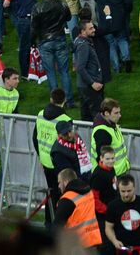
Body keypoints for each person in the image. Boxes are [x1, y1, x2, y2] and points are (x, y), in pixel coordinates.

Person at [34, 89, 73, 222]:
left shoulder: (40, 114)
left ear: (51, 99)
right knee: (62, 194)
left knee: (51, 193)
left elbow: (35, 137)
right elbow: (69, 144)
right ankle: (59, 224)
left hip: (45, 161)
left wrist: (40, 155)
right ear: (64, 100)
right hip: (59, 163)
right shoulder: (65, 119)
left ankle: (49, 222)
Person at [54, 167, 103, 251]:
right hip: (93, 240)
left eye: (59, 182)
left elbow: (57, 227)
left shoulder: (67, 199)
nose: (58, 186)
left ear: (65, 182)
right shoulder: (88, 192)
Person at [72, 19, 105, 120]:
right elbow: (80, 68)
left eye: (93, 27)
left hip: (84, 85)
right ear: (83, 31)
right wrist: (92, 83)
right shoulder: (83, 45)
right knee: (97, 116)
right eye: (90, 28)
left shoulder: (79, 41)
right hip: (89, 87)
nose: (94, 30)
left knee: (86, 115)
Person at [91, 98, 130, 176]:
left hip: (116, 173)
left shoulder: (111, 125)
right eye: (116, 113)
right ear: (106, 113)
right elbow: (102, 158)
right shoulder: (102, 132)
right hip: (111, 176)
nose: (119, 115)